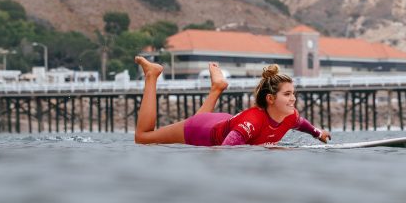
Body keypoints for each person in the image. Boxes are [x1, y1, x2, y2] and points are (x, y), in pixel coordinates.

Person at [134, 56, 331, 146]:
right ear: (270, 99)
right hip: (201, 130)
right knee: (143, 138)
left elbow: (303, 124)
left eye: (293, 93)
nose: (293, 99)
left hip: (224, 122)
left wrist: (318, 134)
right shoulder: (251, 123)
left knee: (207, 120)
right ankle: (152, 74)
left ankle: (217, 88)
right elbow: (226, 151)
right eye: (287, 94)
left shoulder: (290, 116)